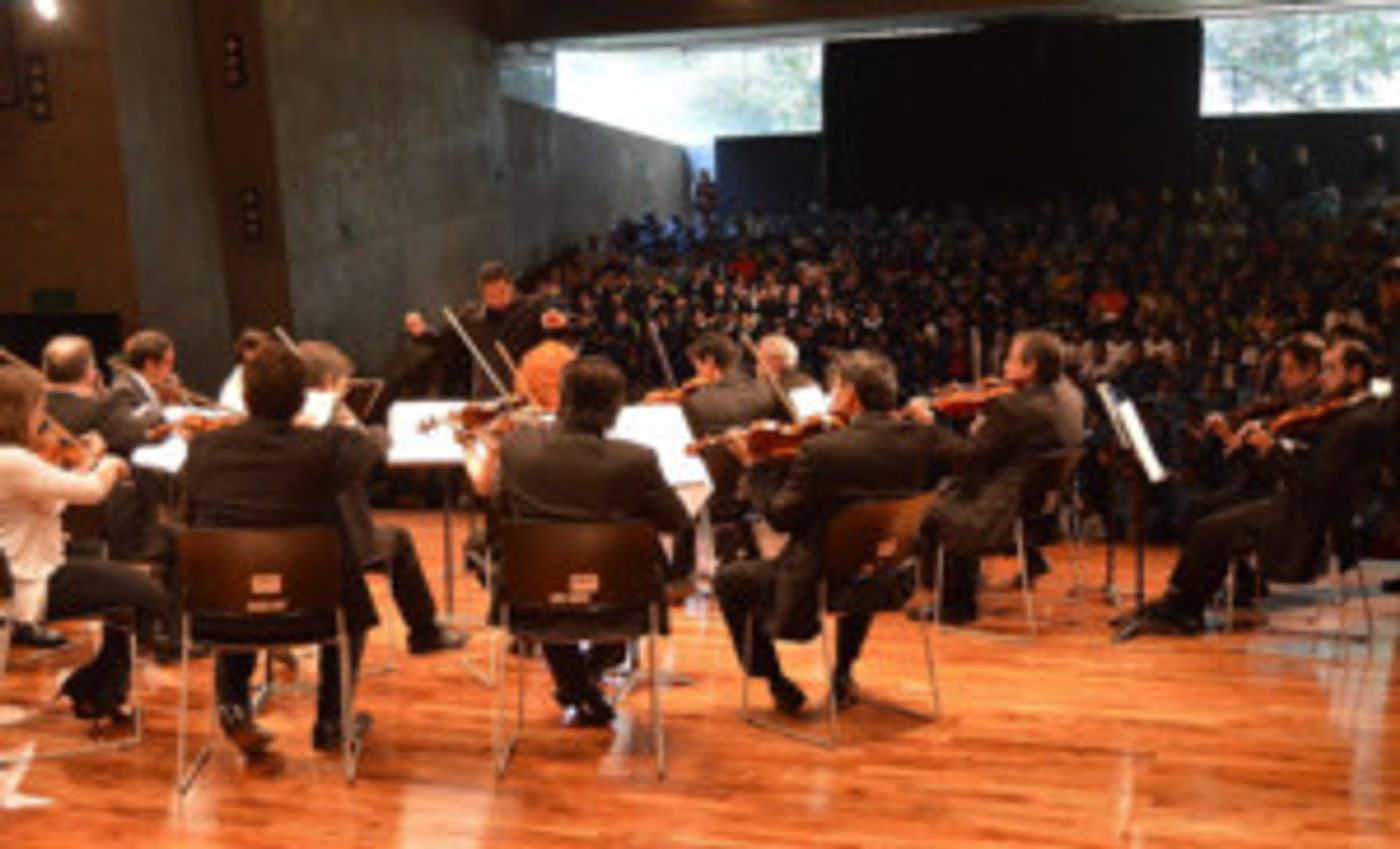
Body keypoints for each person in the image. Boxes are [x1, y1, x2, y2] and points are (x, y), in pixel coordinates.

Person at [713, 350, 943, 714]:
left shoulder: (824, 451)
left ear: (850, 393)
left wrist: (756, 467)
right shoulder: (922, 440)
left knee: (728, 580)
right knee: (863, 547)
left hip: (819, 582)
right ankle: (843, 672)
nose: (831, 399)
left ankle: (776, 681)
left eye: (834, 390)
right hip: (888, 573)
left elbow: (781, 518)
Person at [184, 345, 382, 758]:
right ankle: (332, 720)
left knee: (234, 568)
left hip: (224, 613)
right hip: (314, 609)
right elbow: (370, 446)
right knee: (352, 599)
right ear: (302, 399)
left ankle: (234, 705)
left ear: (247, 399)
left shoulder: (204, 449)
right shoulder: (324, 446)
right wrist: (333, 416)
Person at [474, 356, 690, 727]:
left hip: (535, 591)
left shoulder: (517, 448)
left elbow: (501, 511)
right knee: (624, 574)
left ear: (563, 396)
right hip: (621, 595)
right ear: (615, 406)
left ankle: (577, 686)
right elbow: (676, 520)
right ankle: (585, 682)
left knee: (549, 585)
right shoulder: (636, 459)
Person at [1119, 338, 1386, 638]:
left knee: (1209, 530)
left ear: (1356, 373)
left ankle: (1182, 611)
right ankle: (1178, 605)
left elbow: (1320, 480)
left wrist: (1273, 450)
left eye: (1330, 369)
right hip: (1301, 504)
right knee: (1210, 524)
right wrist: (1275, 449)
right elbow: (1314, 464)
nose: (1323, 378)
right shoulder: (1353, 414)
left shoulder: (1361, 421)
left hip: (1311, 520)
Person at [0, 365, 169, 722]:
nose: (42, 418)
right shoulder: (12, 460)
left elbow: (53, 498)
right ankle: (95, 684)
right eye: (38, 408)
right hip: (29, 583)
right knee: (148, 594)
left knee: (127, 600)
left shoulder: (13, 460)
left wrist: (83, 463)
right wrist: (107, 464)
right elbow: (91, 493)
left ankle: (101, 691)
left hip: (28, 572)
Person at [297, 340, 465, 655]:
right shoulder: (330, 424)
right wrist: (372, 431)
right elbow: (367, 452)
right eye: (343, 385)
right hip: (338, 548)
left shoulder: (280, 420)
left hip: (285, 549)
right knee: (398, 541)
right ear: (328, 383)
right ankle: (424, 633)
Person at [910, 330, 1081, 624]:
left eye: (1010, 359)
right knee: (954, 492)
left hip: (1005, 511)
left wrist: (929, 426)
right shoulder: (1069, 394)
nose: (1002, 366)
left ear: (1031, 367)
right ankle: (962, 584)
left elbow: (966, 456)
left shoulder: (1013, 408)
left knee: (932, 511)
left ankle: (955, 606)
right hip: (1044, 510)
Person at [397, 261, 553, 400]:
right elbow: (443, 341)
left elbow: (561, 326)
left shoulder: (532, 308)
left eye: (501, 293)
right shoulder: (472, 317)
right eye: (491, 295)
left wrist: (562, 322)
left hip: (528, 390)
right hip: (487, 394)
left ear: (511, 287)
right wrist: (421, 332)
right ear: (482, 294)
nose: (497, 300)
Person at [218, 328, 273, 412]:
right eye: (248, 346)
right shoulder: (239, 373)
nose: (251, 352)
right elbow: (228, 403)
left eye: (254, 346)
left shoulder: (276, 372)